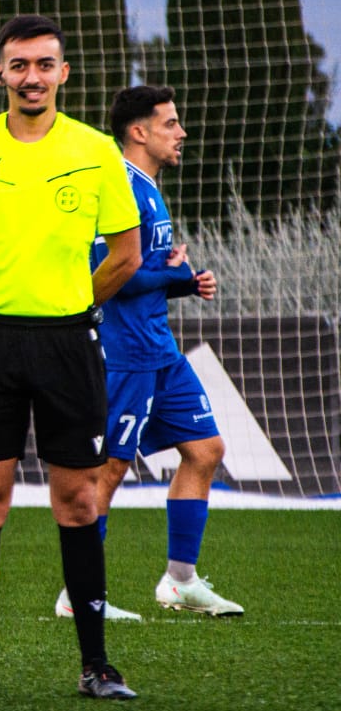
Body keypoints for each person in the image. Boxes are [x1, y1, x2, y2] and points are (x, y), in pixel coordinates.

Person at [0, 14, 143, 701]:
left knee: (78, 498)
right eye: (19, 65)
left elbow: (127, 254)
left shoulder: (97, 152)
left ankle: (97, 665)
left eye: (44, 65)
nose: (32, 78)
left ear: (63, 74)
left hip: (69, 344)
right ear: (1, 74)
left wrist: (74, 302)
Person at [50, 85, 241, 617]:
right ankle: (78, 595)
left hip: (159, 348)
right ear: (139, 131)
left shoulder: (150, 186)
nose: (181, 133)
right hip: (124, 353)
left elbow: (145, 269)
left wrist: (177, 276)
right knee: (108, 469)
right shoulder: (117, 185)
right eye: (171, 124)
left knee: (205, 450)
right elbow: (109, 275)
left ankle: (180, 580)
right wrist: (179, 280)